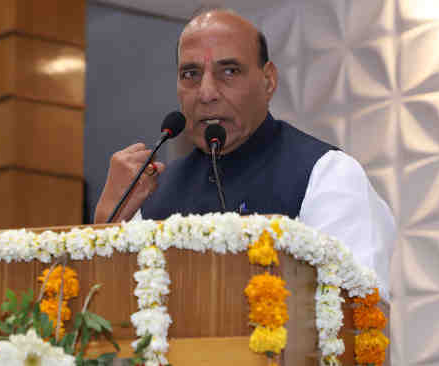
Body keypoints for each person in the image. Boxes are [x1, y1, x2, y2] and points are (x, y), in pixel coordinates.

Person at [94, 9, 395, 300]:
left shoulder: (327, 174)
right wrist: (107, 221)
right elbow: (113, 313)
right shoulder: (154, 191)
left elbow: (354, 315)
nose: (206, 92)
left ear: (268, 81)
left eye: (229, 71)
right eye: (191, 74)